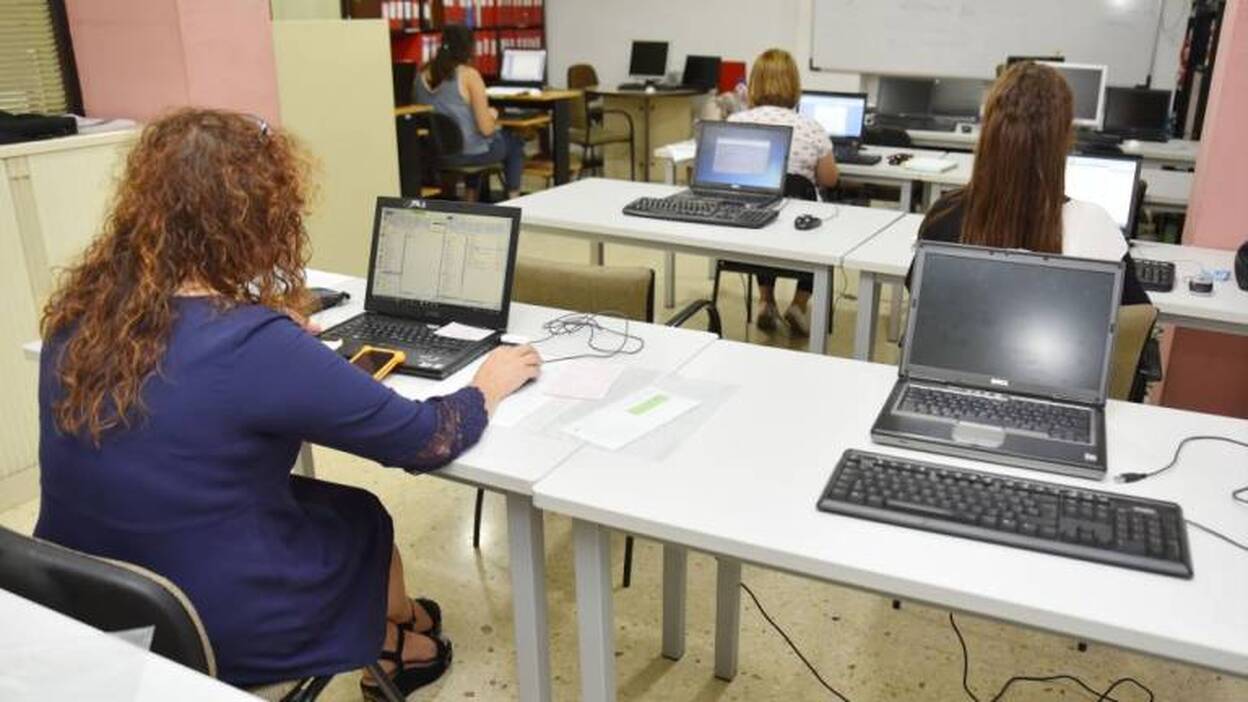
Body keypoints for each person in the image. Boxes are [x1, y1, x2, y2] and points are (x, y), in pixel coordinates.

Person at [34, 109, 541, 699]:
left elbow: (185, 399)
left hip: (82, 597)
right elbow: (427, 438)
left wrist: (264, 329)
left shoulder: (84, 316)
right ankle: (392, 641)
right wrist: (489, 384)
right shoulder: (253, 343)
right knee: (362, 520)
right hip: (204, 626)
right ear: (253, 219)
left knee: (334, 508)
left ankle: (396, 620)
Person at [910, 61, 1150, 305]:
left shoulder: (945, 213)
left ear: (989, 132)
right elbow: (1137, 321)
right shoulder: (1095, 225)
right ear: (1063, 138)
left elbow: (919, 295)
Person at [728, 48, 840, 336]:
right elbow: (829, 179)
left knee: (760, 214)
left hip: (746, 229)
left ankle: (765, 301)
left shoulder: (735, 123)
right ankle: (799, 304)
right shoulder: (811, 127)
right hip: (798, 229)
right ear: (794, 85)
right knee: (820, 226)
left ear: (755, 83)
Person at [416, 24, 527, 199]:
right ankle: (515, 201)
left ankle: (471, 197)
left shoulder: (421, 74)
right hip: (469, 154)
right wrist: (492, 114)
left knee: (476, 140)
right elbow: (486, 129)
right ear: (469, 48)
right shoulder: (469, 75)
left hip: (437, 154)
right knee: (514, 143)